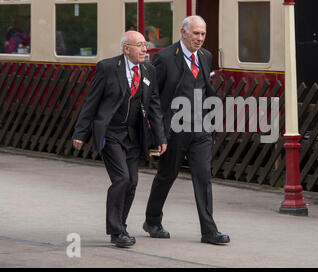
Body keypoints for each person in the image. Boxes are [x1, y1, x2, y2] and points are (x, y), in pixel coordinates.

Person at [72, 31, 167, 248]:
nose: (145, 50)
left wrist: (161, 137)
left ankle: (121, 226)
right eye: (140, 45)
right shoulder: (107, 68)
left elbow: (154, 106)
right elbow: (91, 102)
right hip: (111, 133)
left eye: (146, 45)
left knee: (132, 182)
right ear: (126, 49)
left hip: (134, 136)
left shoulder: (148, 70)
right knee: (122, 178)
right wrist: (80, 132)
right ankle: (116, 231)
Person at [143, 15, 230, 245]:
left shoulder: (205, 56)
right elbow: (153, 97)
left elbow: (205, 89)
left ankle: (209, 231)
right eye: (195, 34)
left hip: (200, 128)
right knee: (167, 175)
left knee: (203, 177)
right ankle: (152, 220)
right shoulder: (164, 58)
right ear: (183, 33)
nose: (200, 39)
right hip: (174, 128)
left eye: (203, 34)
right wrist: (158, 132)